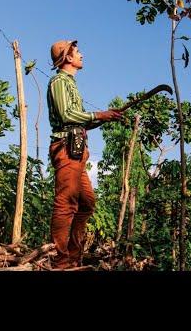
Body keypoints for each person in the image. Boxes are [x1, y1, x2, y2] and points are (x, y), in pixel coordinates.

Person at [47, 39, 122, 269]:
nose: (82, 55)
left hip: (77, 152)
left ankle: (72, 255)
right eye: (77, 51)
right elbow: (68, 115)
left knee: (87, 203)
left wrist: (106, 117)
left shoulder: (70, 84)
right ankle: (61, 261)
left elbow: (78, 121)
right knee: (66, 203)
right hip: (66, 149)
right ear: (68, 58)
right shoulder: (59, 81)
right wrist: (99, 114)